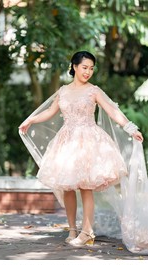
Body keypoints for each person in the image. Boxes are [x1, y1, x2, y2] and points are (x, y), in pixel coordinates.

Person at [19, 51, 144, 249]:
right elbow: (51, 112)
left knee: (86, 187)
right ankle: (72, 229)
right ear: (74, 67)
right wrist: (31, 119)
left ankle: (87, 231)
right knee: (67, 187)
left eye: (91, 68)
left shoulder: (94, 91)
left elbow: (112, 111)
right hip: (67, 141)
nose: (88, 72)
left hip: (89, 140)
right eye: (84, 67)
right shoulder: (63, 91)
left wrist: (130, 128)